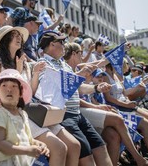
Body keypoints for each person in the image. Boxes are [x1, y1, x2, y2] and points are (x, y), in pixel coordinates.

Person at [0, 25, 81, 166]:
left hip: (31, 111)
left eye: (20, 35)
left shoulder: (24, 62)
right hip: (12, 113)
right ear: (5, 40)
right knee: (59, 148)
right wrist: (17, 71)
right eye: (15, 34)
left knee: (74, 145)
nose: (19, 38)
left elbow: (29, 92)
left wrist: (36, 73)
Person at [63, 42, 148, 166]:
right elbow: (71, 97)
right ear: (73, 54)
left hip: (83, 111)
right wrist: (96, 104)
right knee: (117, 119)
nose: (82, 56)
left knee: (113, 137)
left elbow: (100, 63)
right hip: (76, 111)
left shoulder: (79, 66)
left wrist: (121, 50)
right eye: (80, 52)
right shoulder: (65, 68)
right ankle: (140, 160)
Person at [35, 31, 113, 166]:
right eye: (61, 42)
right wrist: (78, 74)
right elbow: (48, 91)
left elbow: (79, 87)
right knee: (86, 155)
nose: (64, 45)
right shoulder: (43, 63)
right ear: (52, 44)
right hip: (63, 115)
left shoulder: (63, 63)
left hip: (77, 113)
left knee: (100, 147)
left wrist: (96, 88)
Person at [103, 63, 148, 165]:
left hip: (127, 104)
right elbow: (108, 99)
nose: (126, 66)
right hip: (119, 107)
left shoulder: (116, 75)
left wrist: (140, 86)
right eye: (123, 63)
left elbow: (125, 93)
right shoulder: (104, 76)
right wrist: (126, 103)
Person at [0, 69, 50, 165]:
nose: (9, 89)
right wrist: (26, 150)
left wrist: (38, 144)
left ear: (21, 93)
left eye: (14, 86)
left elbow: (27, 139)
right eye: (4, 86)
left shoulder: (22, 114)